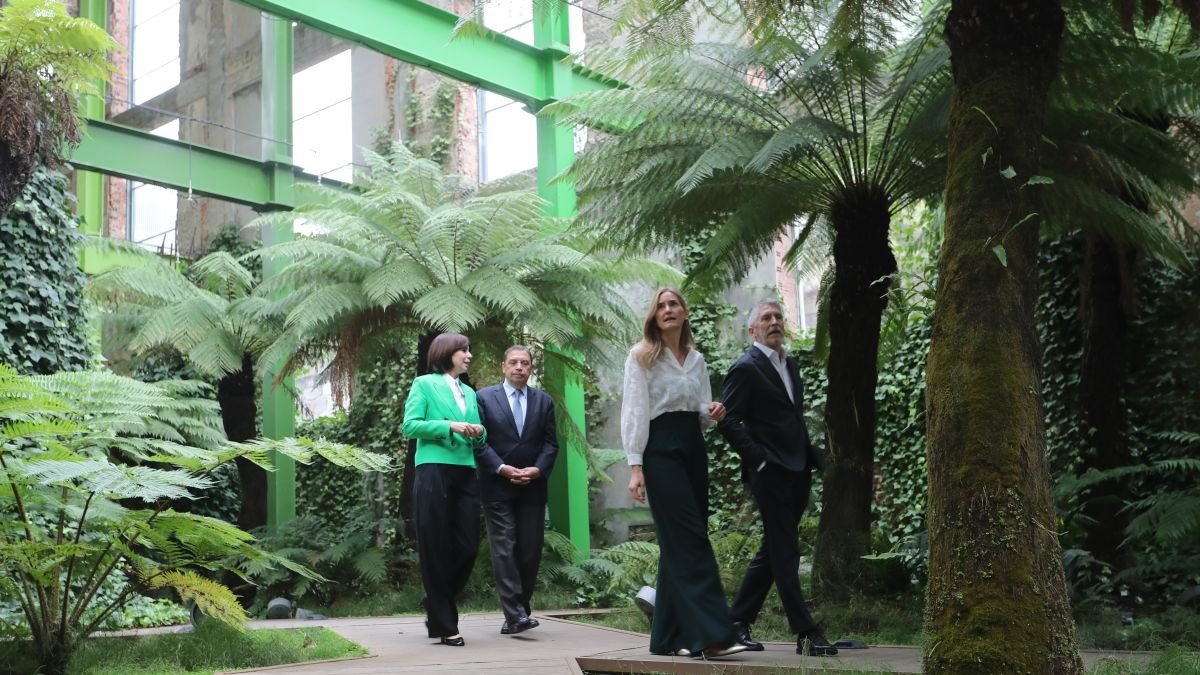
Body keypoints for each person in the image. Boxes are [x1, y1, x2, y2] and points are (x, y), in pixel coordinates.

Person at [621, 287, 748, 660]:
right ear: (653, 316)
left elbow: (700, 415)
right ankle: (713, 634)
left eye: (674, 303)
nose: (668, 309)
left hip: (693, 448)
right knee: (691, 540)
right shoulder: (641, 356)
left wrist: (714, 413)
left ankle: (668, 637)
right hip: (659, 450)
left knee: (681, 542)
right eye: (661, 306)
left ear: (685, 312)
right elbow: (634, 411)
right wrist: (635, 467)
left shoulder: (696, 360)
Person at [718, 300, 838, 657]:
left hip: (797, 468)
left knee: (774, 546)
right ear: (752, 330)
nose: (774, 322)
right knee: (785, 549)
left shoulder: (791, 364)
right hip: (769, 472)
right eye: (766, 318)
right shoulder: (746, 367)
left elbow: (791, 418)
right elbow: (729, 419)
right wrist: (759, 460)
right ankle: (805, 631)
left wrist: (806, 457)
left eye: (778, 317)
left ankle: (737, 620)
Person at [402, 332, 487, 647]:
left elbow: (481, 434)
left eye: (469, 350)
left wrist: (479, 431)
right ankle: (445, 624)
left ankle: (435, 599)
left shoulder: (469, 392)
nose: (468, 355)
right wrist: (448, 426)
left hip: (465, 471)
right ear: (446, 353)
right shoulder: (424, 384)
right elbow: (410, 426)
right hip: (433, 470)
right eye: (463, 350)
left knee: (467, 546)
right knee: (435, 544)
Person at [475, 345, 559, 636]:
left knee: (529, 551)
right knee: (504, 548)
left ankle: (518, 612)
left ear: (531, 368)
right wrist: (502, 468)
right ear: (503, 366)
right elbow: (480, 442)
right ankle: (515, 614)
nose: (519, 367)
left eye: (525, 363)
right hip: (497, 486)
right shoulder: (484, 398)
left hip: (533, 487)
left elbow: (551, 444)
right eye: (514, 362)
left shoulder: (544, 401)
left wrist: (537, 470)